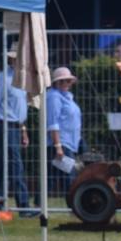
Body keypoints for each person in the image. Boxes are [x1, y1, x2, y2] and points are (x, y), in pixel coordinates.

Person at [0, 50, 33, 217]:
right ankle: (23, 206)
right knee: (13, 166)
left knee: (5, 167)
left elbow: (20, 111)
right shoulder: (3, 78)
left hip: (15, 127)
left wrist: (24, 131)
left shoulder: (22, 80)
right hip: (3, 126)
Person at [45, 66, 83, 195]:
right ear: (56, 82)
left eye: (68, 81)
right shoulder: (54, 97)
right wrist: (58, 146)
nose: (65, 83)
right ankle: (73, 204)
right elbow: (53, 122)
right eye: (61, 81)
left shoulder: (67, 97)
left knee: (52, 175)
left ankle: (39, 204)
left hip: (70, 142)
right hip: (62, 142)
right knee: (68, 176)